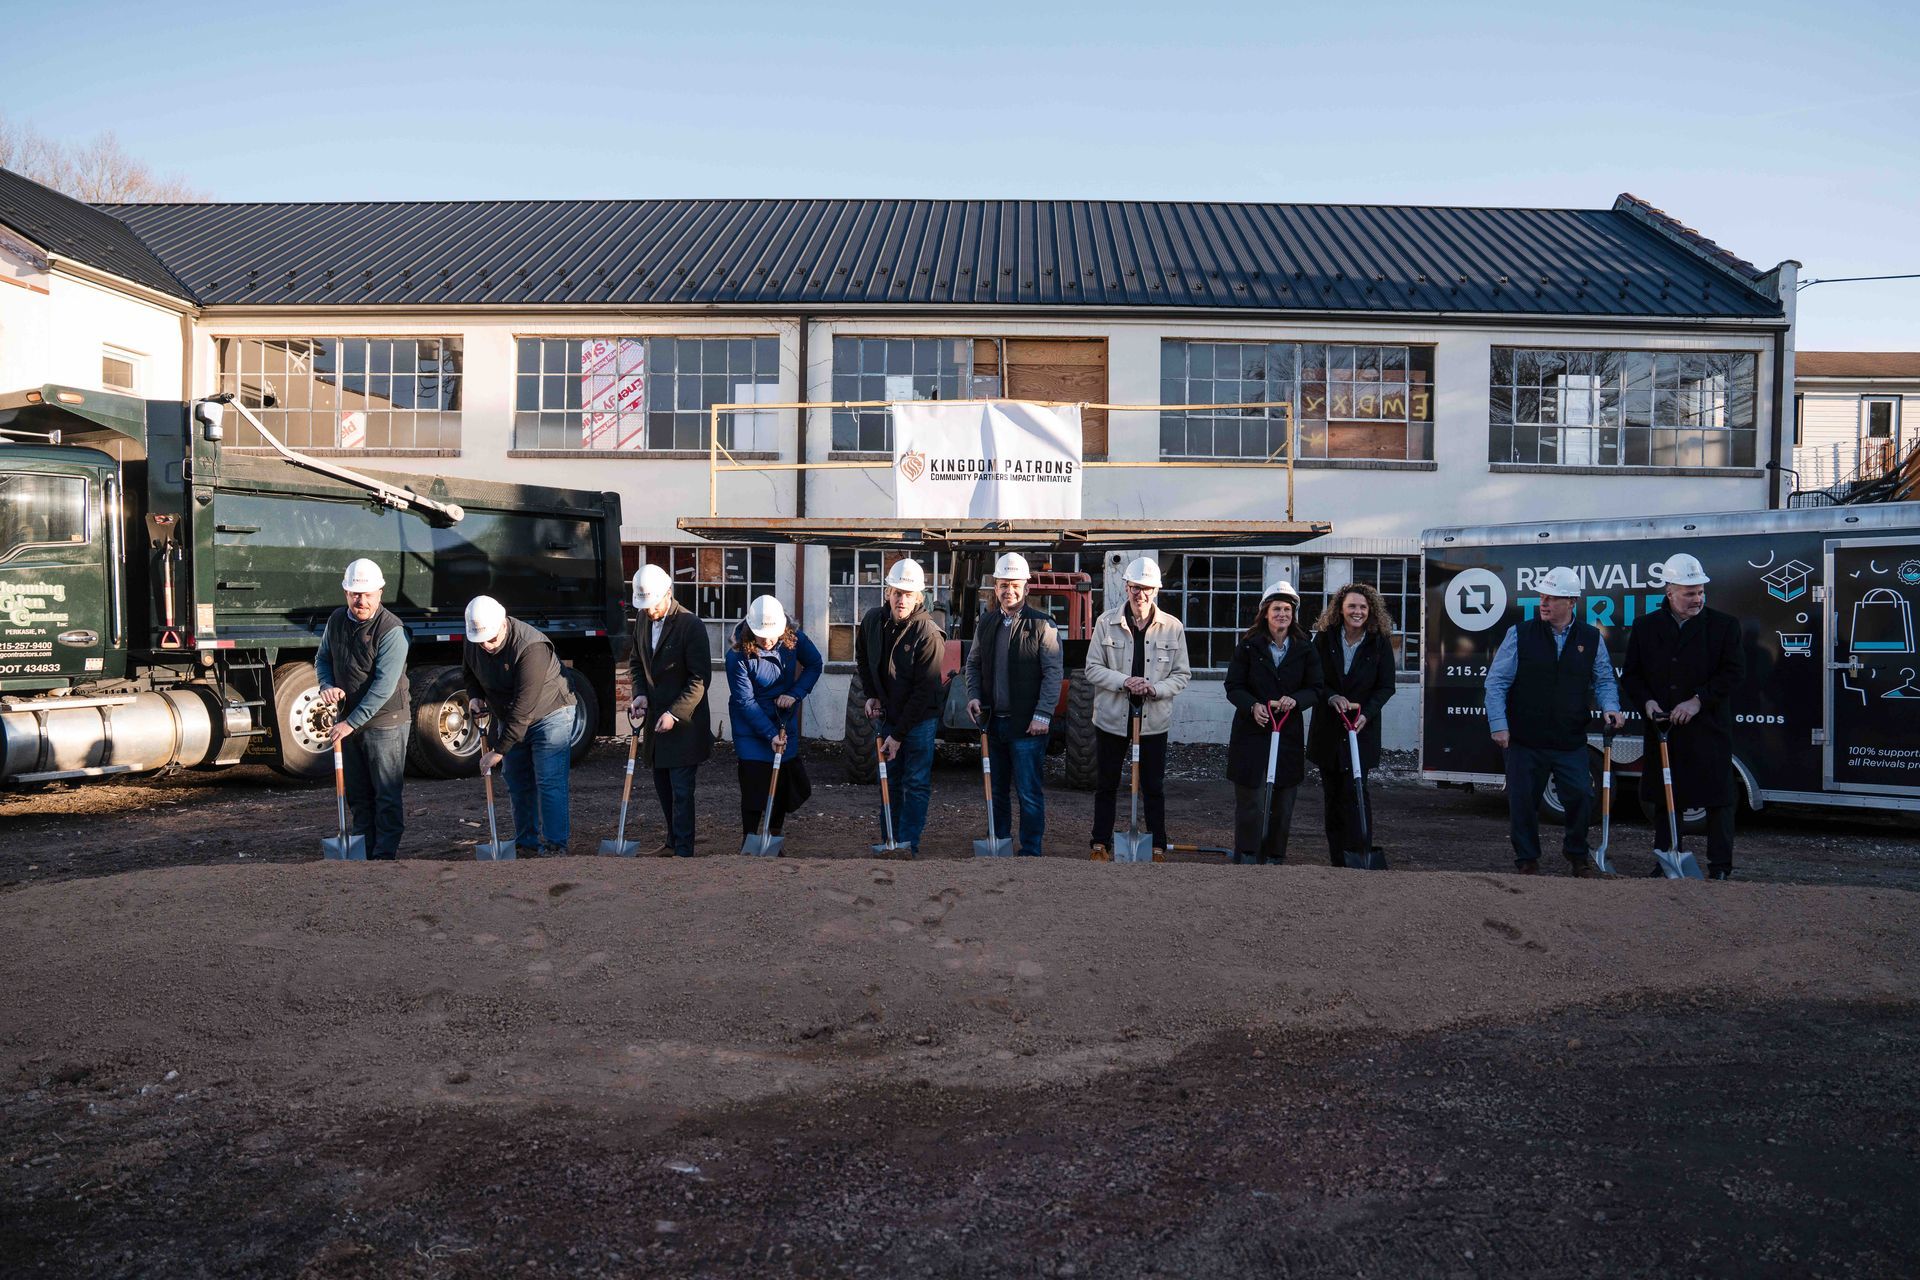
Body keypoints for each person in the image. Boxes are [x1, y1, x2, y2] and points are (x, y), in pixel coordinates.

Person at [1483, 565, 1625, 875]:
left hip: (1569, 739)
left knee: (1581, 797)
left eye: (1552, 598)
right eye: (1542, 597)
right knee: (1523, 803)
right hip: (1525, 739)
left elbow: (1603, 680)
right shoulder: (1519, 634)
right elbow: (1497, 683)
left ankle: (1577, 854)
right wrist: (1499, 723)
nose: (1543, 603)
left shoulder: (1590, 637)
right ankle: (1527, 860)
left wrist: (1610, 706)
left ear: (1572, 601)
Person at [1621, 551, 1746, 880]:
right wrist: (1646, 702)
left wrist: (1697, 701)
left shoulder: (1723, 626)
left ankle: (1720, 867)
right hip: (1664, 731)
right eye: (1690, 592)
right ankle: (1666, 858)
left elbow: (1733, 673)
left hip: (1708, 729)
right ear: (1670, 592)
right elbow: (1632, 675)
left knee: (1719, 799)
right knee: (1666, 798)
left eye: (1701, 591)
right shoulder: (1646, 627)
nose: (1697, 598)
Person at [1083, 556, 1191, 860]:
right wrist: (1125, 681)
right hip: (1112, 718)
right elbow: (1092, 668)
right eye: (1134, 587)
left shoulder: (1173, 628)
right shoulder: (1106, 623)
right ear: (1126, 588)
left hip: (1153, 720)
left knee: (1153, 785)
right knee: (1106, 784)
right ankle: (1099, 843)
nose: (1139, 594)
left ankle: (1157, 844)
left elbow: (1182, 675)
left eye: (1145, 588)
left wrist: (1154, 688)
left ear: (1155, 590)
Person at [462, 595, 580, 857]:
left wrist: (498, 750)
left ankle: (554, 845)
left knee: (548, 779)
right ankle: (526, 843)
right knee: (517, 779)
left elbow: (524, 707)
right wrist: (474, 696)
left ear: (503, 624)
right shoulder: (475, 641)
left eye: (491, 639)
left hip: (550, 713)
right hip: (510, 714)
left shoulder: (531, 647)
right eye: (481, 641)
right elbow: (469, 672)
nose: (487, 646)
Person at [965, 552, 1064, 858]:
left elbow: (1053, 674)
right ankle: (1000, 842)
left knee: (1028, 792)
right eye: (1003, 584)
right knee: (995, 791)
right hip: (994, 723)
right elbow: (973, 664)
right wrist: (973, 696)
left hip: (1028, 726)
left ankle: (1031, 849)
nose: (1009, 590)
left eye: (1015, 585)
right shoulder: (987, 623)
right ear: (995, 587)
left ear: (1026, 588)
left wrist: (1043, 715)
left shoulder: (1043, 625)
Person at [315, 558, 410, 860]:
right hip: (350, 721)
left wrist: (349, 723)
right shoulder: (336, 621)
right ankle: (363, 851)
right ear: (346, 593)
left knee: (385, 793)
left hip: (386, 722)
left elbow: (383, 687)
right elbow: (323, 659)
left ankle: (384, 856)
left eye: (368, 594)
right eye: (356, 594)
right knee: (357, 794)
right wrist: (326, 685)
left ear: (380, 592)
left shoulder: (392, 630)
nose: (362, 600)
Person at [1224, 580, 1324, 865]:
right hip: (1252, 732)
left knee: (1283, 800)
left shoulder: (1305, 648)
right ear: (1265, 612)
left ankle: (1275, 856)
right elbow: (1233, 685)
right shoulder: (1247, 646)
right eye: (1277, 608)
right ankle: (1247, 854)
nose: (1282, 614)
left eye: (1287, 609)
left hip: (1287, 732)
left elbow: (1316, 687)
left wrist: (1297, 700)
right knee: (1251, 800)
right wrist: (1252, 706)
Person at [854, 557, 944, 856]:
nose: (901, 599)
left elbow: (924, 691)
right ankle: (889, 841)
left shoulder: (928, 633)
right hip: (889, 715)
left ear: (919, 597)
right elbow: (864, 659)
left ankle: (908, 844)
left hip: (918, 721)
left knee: (915, 783)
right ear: (887, 592)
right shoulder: (872, 622)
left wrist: (898, 735)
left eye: (908, 594)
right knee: (889, 782)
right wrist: (872, 694)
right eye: (896, 592)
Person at [1308, 581, 1399, 866]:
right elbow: (1314, 680)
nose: (1357, 611)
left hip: (1361, 729)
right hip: (1329, 730)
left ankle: (1360, 853)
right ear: (1341, 609)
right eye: (1351, 606)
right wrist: (1332, 696)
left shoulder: (1379, 641)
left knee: (1357, 792)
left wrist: (1365, 714)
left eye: (1362, 606)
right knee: (1332, 796)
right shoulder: (1324, 638)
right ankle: (1339, 859)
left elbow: (1386, 686)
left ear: (1370, 609)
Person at [628, 563, 714, 857]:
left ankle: (684, 850)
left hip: (684, 724)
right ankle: (672, 840)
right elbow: (637, 663)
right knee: (663, 787)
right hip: (655, 721)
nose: (649, 611)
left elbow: (700, 679)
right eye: (645, 606)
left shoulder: (691, 625)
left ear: (668, 593)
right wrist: (639, 694)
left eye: (653, 605)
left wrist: (675, 713)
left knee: (681, 790)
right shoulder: (641, 620)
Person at [726, 594, 821, 848]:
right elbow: (745, 701)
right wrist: (769, 735)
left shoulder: (794, 639)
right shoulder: (737, 655)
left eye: (772, 635)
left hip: (783, 718)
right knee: (754, 781)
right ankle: (749, 838)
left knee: (781, 783)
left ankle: (774, 836)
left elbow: (814, 664)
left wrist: (795, 693)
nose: (767, 641)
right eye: (760, 636)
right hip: (750, 725)